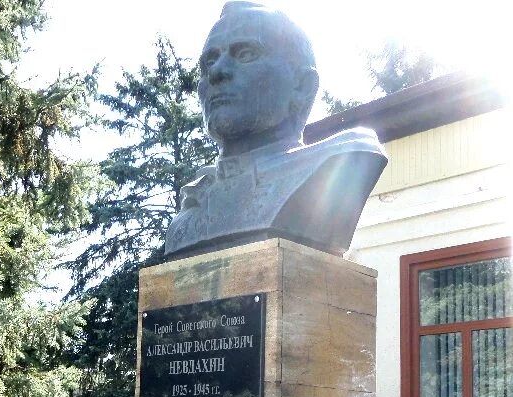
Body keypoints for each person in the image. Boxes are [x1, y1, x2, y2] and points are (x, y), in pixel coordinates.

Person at [164, 0, 386, 258]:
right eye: (209, 62)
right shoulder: (192, 206)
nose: (217, 72)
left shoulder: (343, 160)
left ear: (302, 86)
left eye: (246, 54)